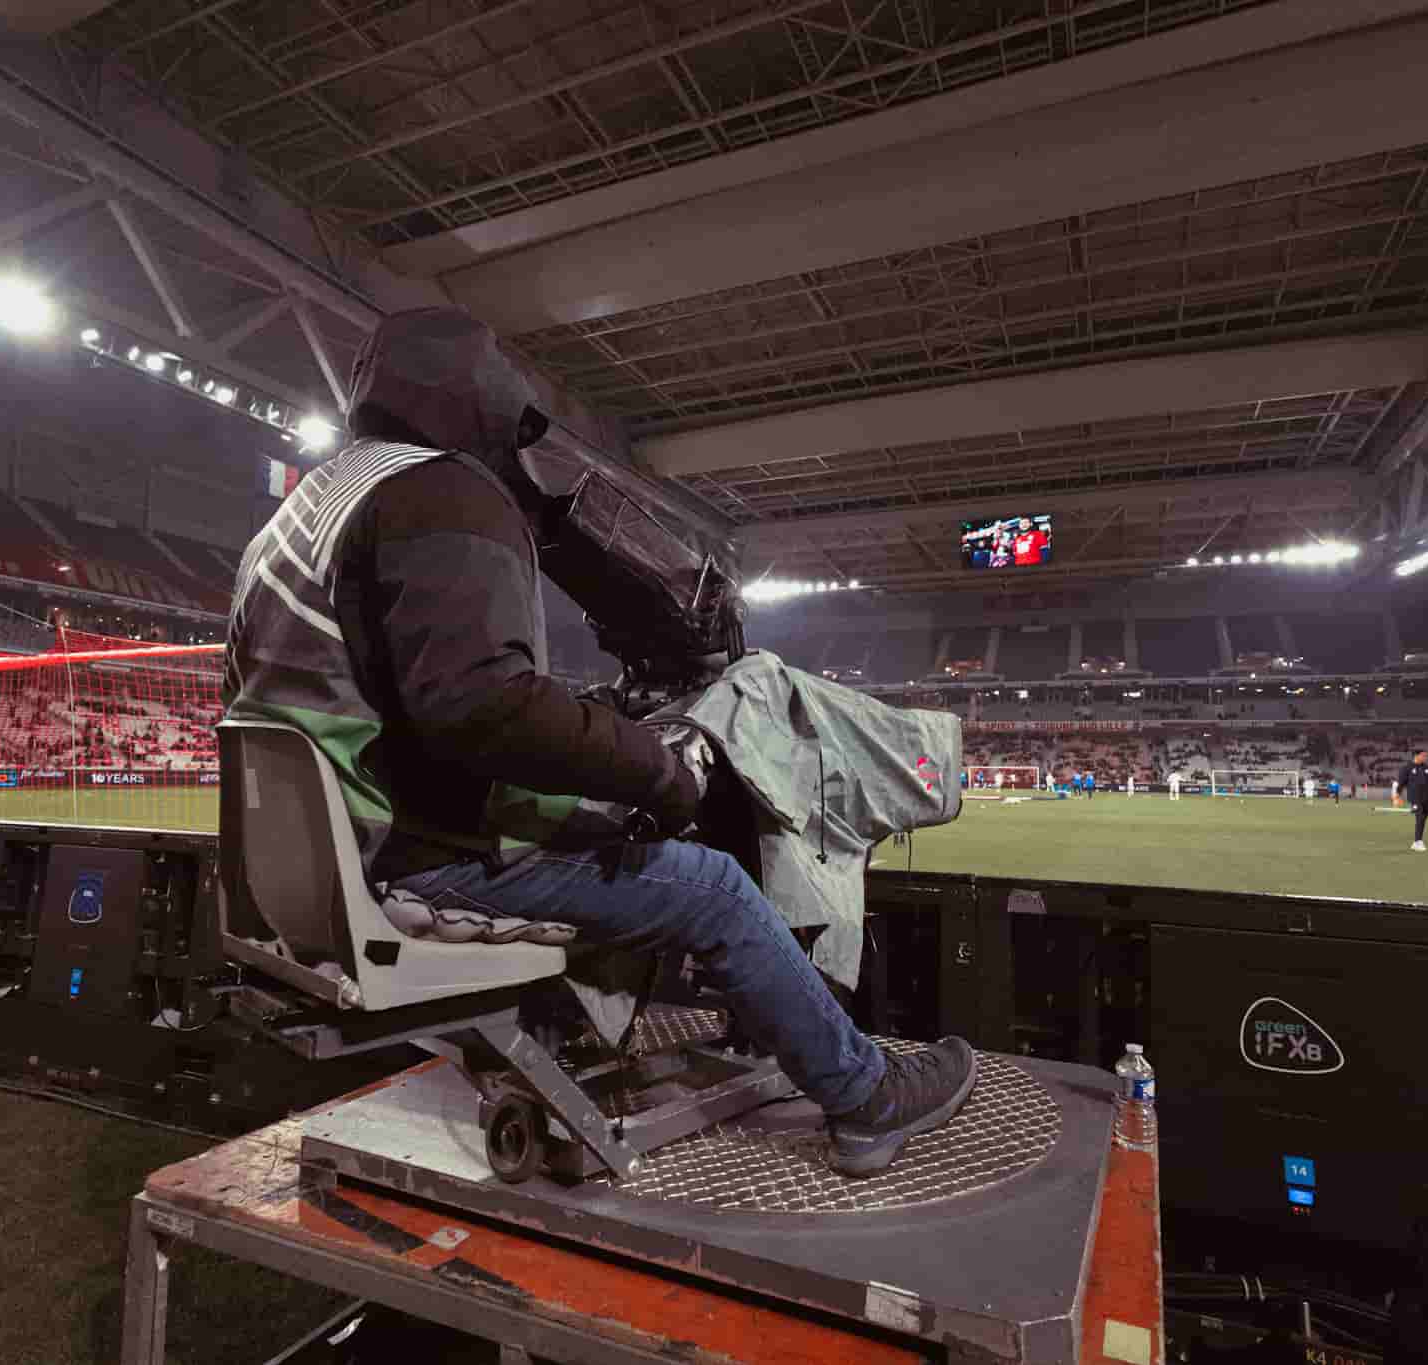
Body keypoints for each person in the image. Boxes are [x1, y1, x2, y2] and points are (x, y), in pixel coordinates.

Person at [222, 308, 977, 1177]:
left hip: (316, 876)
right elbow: (481, 707)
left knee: (598, 823)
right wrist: (657, 772)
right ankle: (863, 1095)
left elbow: (392, 700)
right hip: (410, 863)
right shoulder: (443, 491)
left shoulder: (303, 511)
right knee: (712, 882)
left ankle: (585, 1024)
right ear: (476, 396)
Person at [1393, 750, 1428, 852]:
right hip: (1415, 798)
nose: (1425, 757)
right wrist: (1397, 796)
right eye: (1423, 755)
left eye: (1426, 756)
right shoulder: (1407, 768)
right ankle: (1418, 841)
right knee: (1420, 816)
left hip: (1427, 798)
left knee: (1423, 817)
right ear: (1416, 756)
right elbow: (1401, 783)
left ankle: (1416, 842)